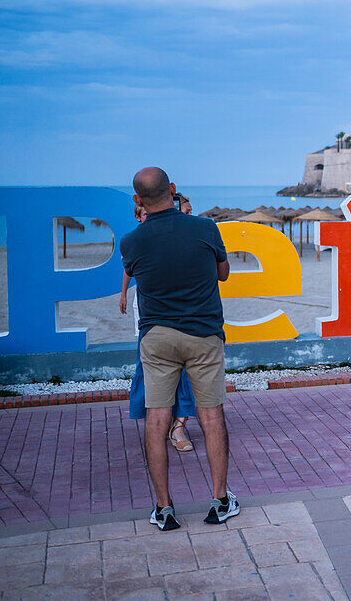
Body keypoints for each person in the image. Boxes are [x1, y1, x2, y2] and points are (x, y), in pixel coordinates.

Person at [120, 168, 237, 531]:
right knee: (212, 415)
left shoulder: (131, 242)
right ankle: (220, 501)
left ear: (138, 201)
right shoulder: (205, 228)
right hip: (203, 334)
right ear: (172, 190)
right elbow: (223, 274)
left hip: (157, 337)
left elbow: (140, 275)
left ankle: (164, 508)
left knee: (157, 418)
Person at [120, 203, 197, 452]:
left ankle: (178, 426)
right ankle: (161, 423)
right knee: (150, 368)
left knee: (185, 372)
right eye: (185, 211)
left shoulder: (183, 236)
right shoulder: (136, 240)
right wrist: (123, 294)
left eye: (188, 212)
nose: (188, 217)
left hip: (180, 314)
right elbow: (128, 270)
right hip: (149, 314)